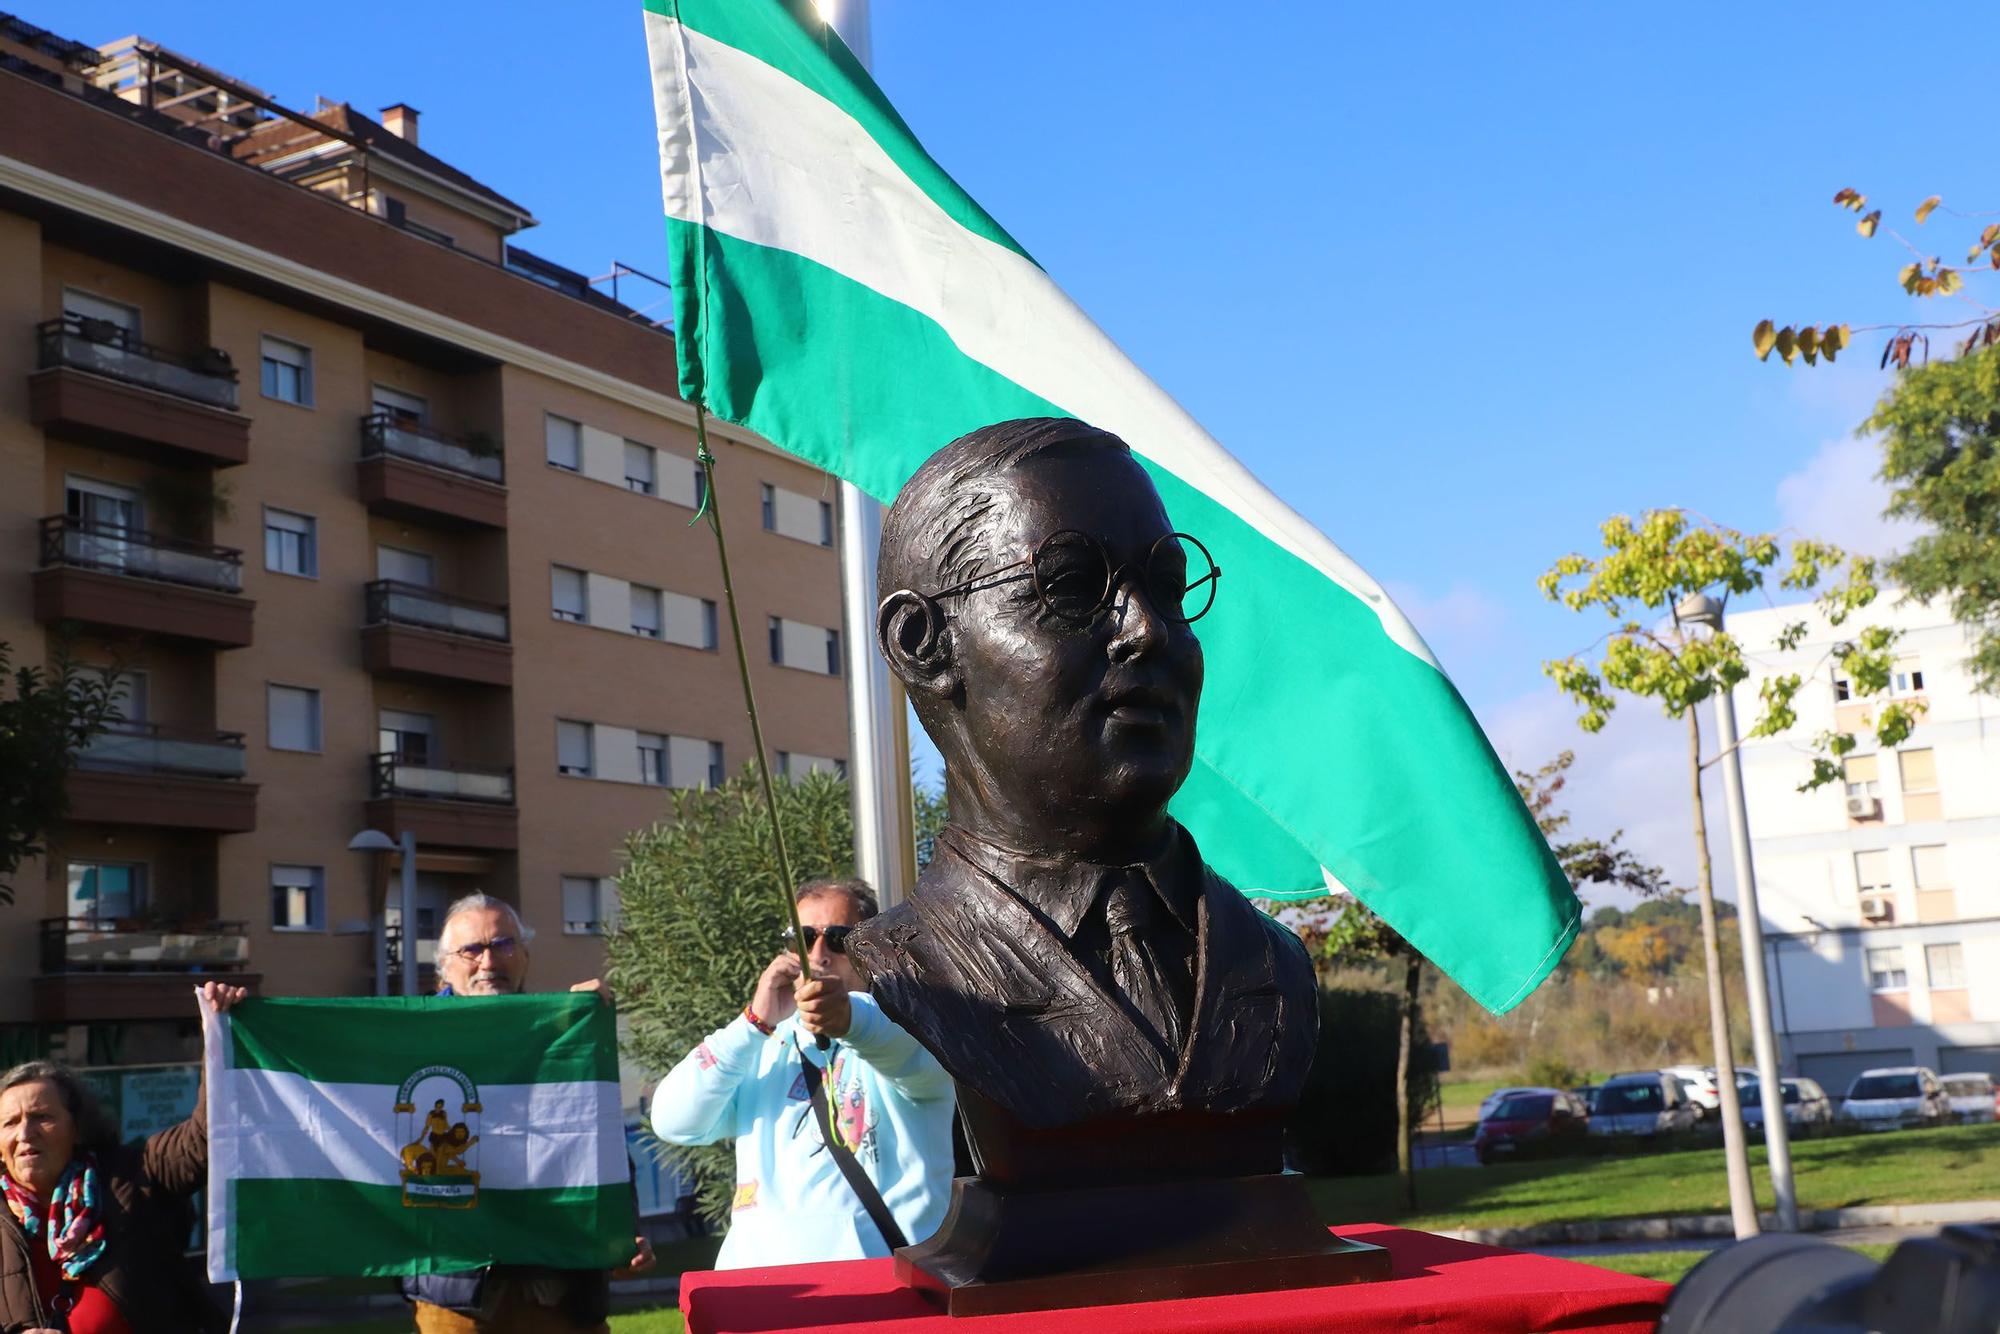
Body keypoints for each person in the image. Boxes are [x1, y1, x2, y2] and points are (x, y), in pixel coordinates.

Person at [848, 418, 1319, 1161]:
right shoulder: (916, 968)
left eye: (1166, 587)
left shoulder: (1274, 965)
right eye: (1071, 586)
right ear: (924, 645)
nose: (1148, 630)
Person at [650, 878, 954, 1269]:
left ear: (870, 951)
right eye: (804, 937)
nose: (819, 954)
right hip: (764, 1295)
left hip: (882, 1290)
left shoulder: (906, 1030)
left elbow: (909, 1056)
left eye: (839, 938)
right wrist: (752, 1023)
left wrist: (849, 1018)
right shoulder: (757, 1046)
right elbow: (673, 1120)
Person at [403, 894, 653, 1334]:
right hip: (458, 1299)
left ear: (524, 955)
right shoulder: (408, 1044)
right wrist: (238, 1017)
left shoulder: (562, 1037)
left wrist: (621, 1233)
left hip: (562, 1294)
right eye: (472, 950)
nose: (488, 961)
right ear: (443, 966)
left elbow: (604, 1148)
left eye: (501, 944)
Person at [1, 981, 246, 1334]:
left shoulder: (131, 1176)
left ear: (78, 1128)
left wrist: (218, 1031)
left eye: (43, 1117)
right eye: (10, 1122)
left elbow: (208, 1137)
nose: (25, 1133)